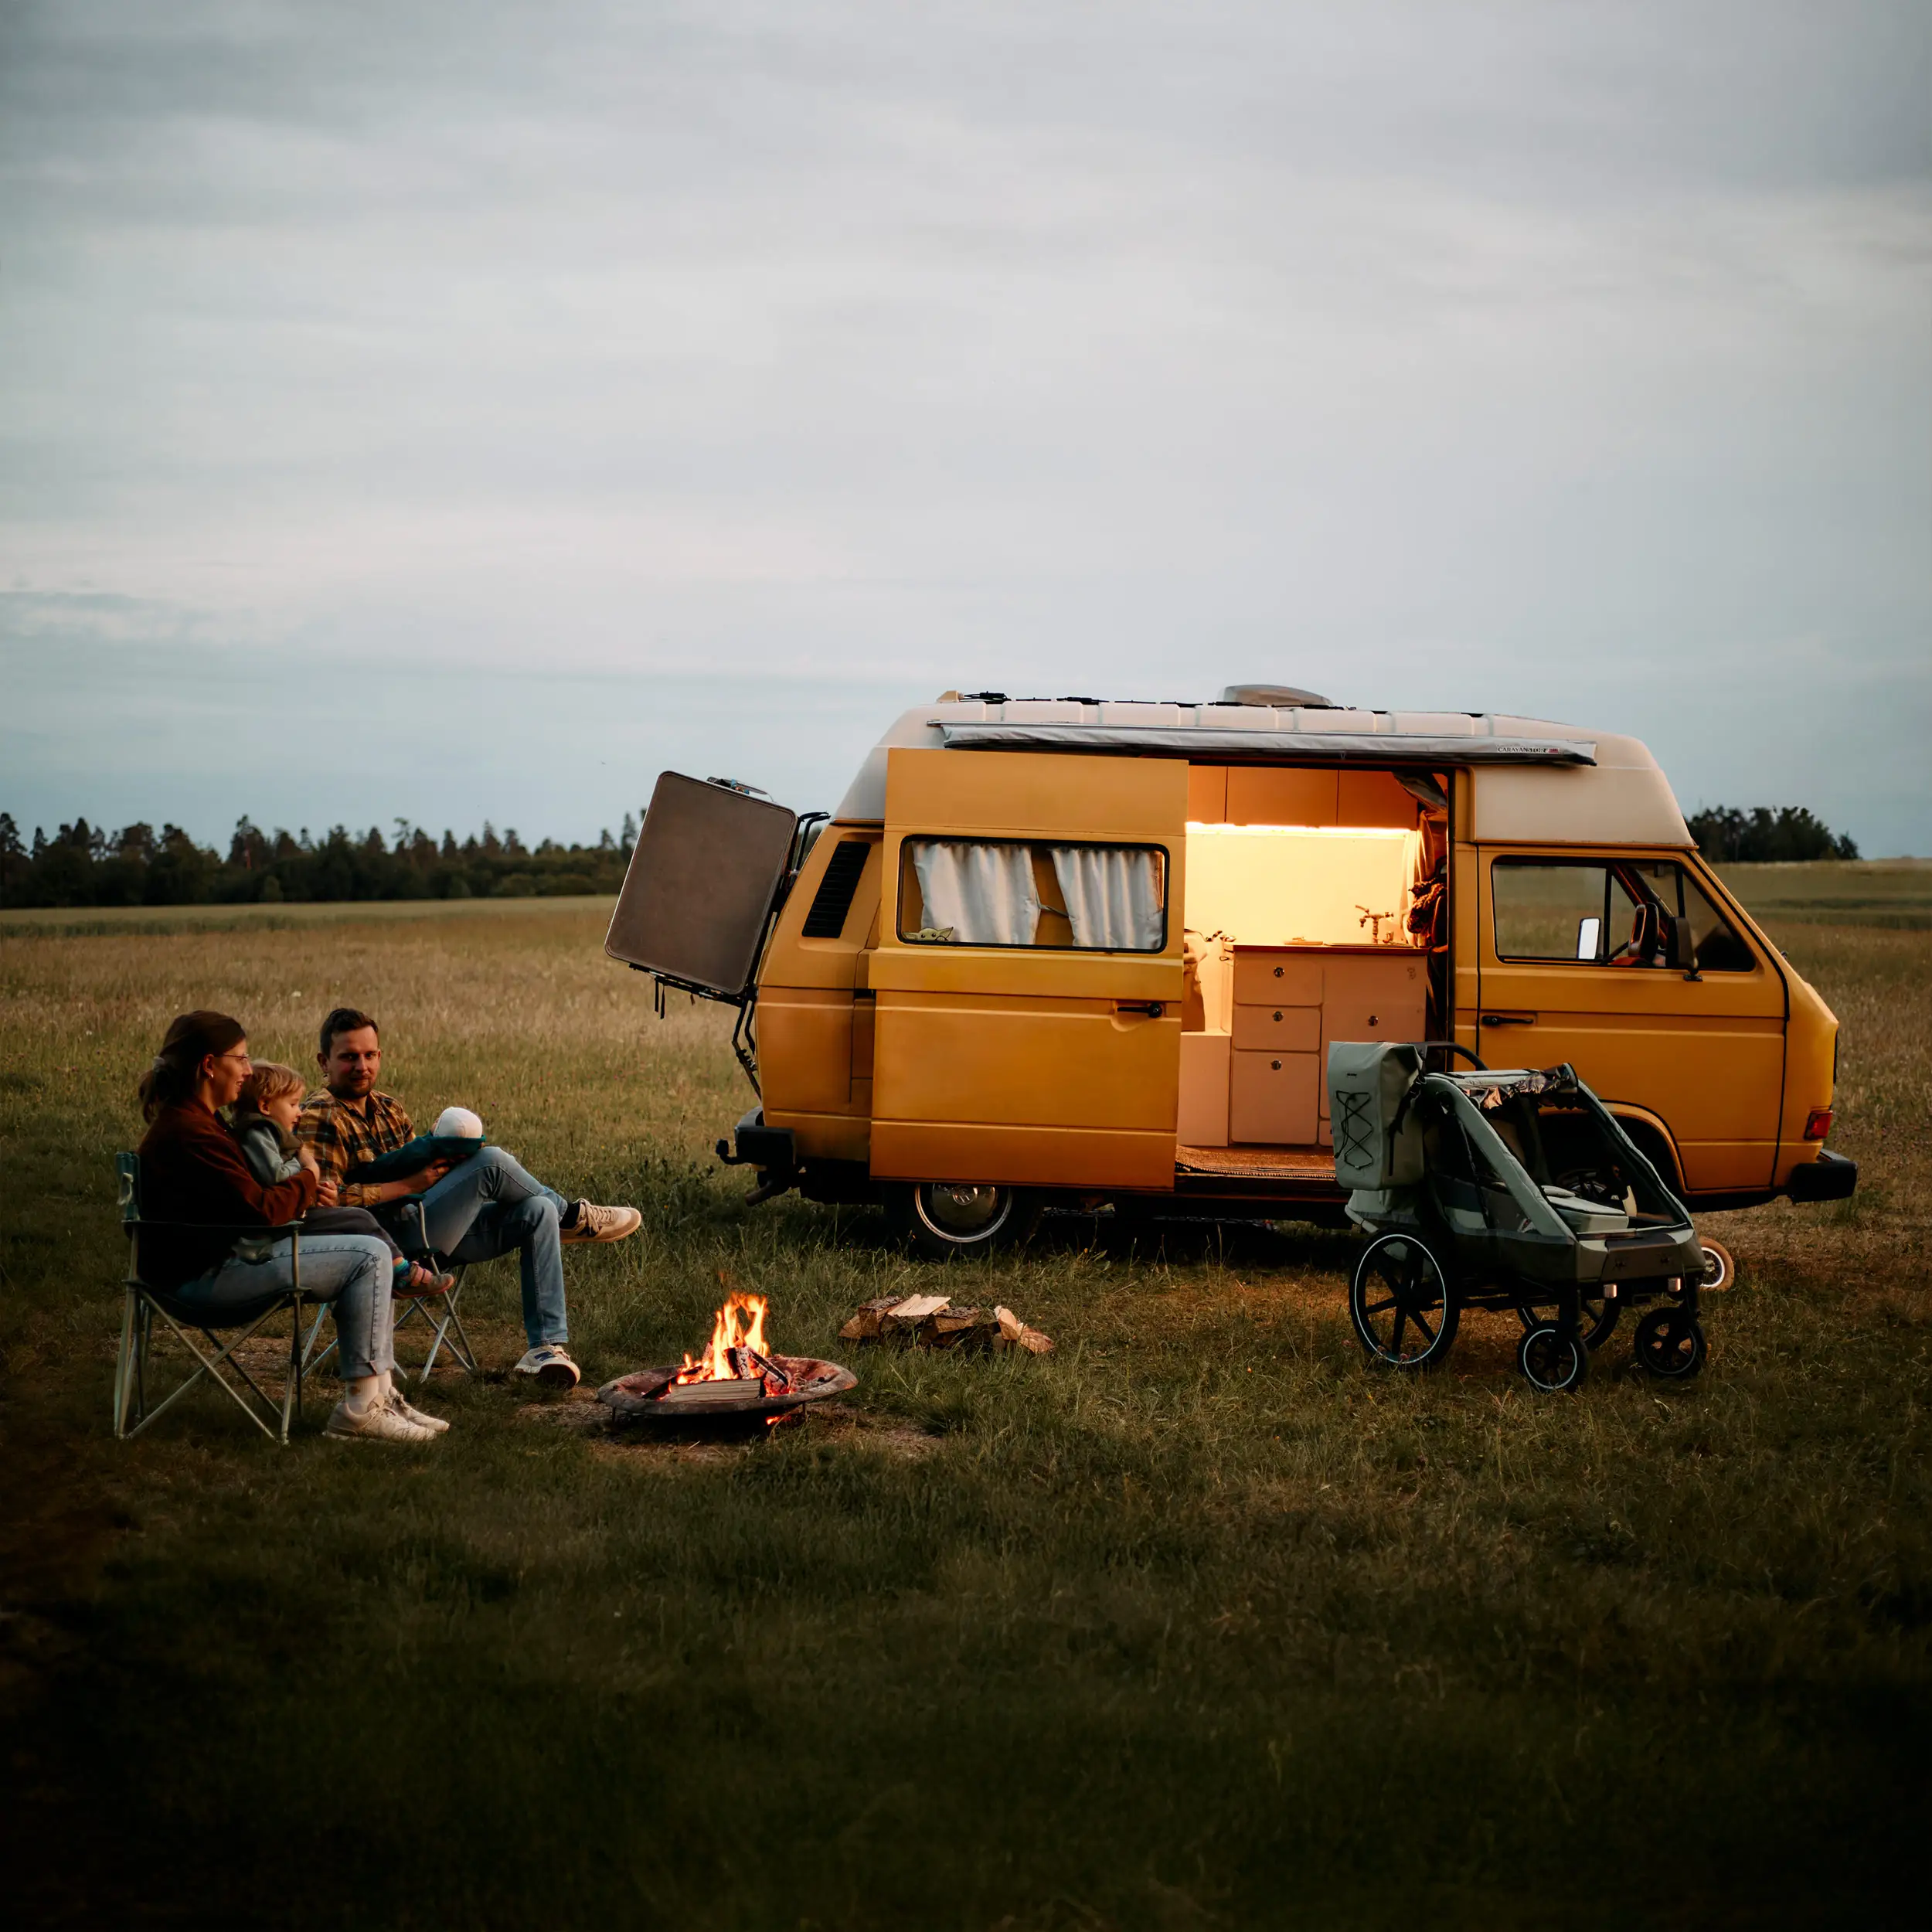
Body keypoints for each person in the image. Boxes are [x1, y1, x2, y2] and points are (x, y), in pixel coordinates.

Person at [133, 1011, 447, 1444]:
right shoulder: (192, 1132)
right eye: (240, 1059)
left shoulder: (201, 1122)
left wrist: (302, 1190)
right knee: (368, 1255)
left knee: (363, 1241)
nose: (248, 1070)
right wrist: (308, 1178)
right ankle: (362, 1408)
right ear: (209, 1065)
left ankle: (380, 1393)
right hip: (204, 1278)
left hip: (218, 1260)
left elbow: (250, 1202)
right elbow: (263, 1211)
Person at [296, 1006, 640, 1390]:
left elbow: (418, 1170)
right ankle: (574, 1217)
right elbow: (322, 1207)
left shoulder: (389, 1108)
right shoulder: (320, 1115)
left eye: (369, 1055)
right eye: (348, 1057)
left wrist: (442, 1168)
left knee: (537, 1209)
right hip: (386, 1244)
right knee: (492, 1162)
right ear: (324, 1062)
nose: (361, 1065)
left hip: (430, 1227)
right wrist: (407, 1186)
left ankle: (544, 1349)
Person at [233, 1063, 451, 1299]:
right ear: (265, 1105)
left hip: (289, 1218)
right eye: (293, 1104)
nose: (300, 1112)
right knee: (358, 1218)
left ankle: (400, 1269)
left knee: (358, 1218)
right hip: (277, 1230)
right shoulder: (257, 1133)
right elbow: (276, 1177)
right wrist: (305, 1164)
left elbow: (283, 1184)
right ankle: (401, 1272)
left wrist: (314, 1189)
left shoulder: (272, 1134)